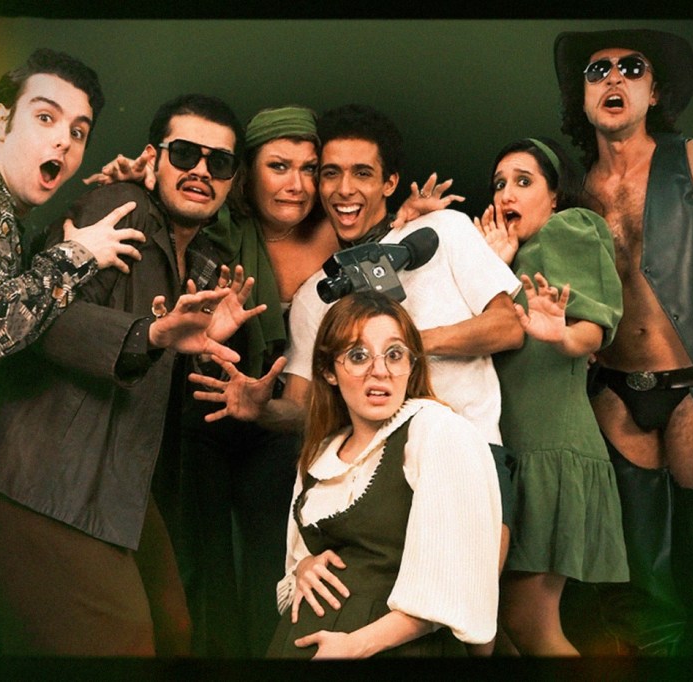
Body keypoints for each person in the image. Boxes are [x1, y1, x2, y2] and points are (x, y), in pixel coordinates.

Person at [86, 106, 458, 657]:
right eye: (279, 166)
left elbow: (374, 231)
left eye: (309, 169)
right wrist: (134, 179)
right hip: (201, 406)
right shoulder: (212, 226)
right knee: (201, 565)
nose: (298, 184)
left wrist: (404, 216)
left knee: (273, 563)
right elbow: (167, 208)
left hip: (280, 413)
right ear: (245, 175)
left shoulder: (336, 228)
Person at [0, 93, 265, 656]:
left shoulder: (203, 258)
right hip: (40, 470)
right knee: (123, 645)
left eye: (218, 162)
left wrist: (199, 349)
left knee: (174, 630)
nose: (200, 171)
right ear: (153, 158)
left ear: (232, 179)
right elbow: (44, 323)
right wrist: (152, 335)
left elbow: (160, 353)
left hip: (116, 475)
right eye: (184, 154)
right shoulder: (120, 207)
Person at [189, 106, 524, 633]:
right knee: (375, 627)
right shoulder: (315, 297)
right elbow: (302, 409)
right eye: (330, 173)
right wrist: (260, 409)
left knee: (470, 628)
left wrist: (405, 346)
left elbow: (507, 326)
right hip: (370, 483)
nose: (344, 189)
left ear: (389, 182)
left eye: (362, 173)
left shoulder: (443, 230)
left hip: (469, 451)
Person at [554, 28, 693, 654]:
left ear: (654, 92)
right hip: (614, 395)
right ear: (583, 98)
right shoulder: (571, 194)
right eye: (597, 70)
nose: (612, 77)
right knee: (633, 585)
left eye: (631, 67)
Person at [0, 47, 146, 653]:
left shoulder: (2, 209)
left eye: (78, 132)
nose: (63, 141)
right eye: (46, 117)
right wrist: (79, 253)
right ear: (1, 119)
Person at [266, 291, 503, 658]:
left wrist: (354, 645)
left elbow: (454, 590)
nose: (380, 371)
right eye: (358, 356)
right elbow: (293, 571)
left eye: (394, 354)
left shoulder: (437, 431)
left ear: (412, 365)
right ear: (328, 371)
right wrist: (304, 569)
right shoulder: (319, 455)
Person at [475, 136, 628, 655]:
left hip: (550, 447)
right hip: (512, 451)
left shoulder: (569, 228)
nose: (506, 194)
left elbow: (592, 330)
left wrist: (562, 335)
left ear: (556, 195)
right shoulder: (503, 256)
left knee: (528, 623)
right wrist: (496, 266)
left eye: (524, 181)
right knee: (492, 626)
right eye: (499, 184)